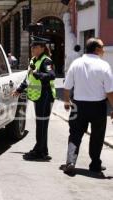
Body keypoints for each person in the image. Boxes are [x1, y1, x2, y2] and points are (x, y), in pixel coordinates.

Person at [62, 38, 113, 175]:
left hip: (78, 105)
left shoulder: (76, 64)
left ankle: (71, 162)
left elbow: (67, 87)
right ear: (96, 49)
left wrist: (67, 102)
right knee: (97, 136)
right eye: (102, 47)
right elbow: (110, 92)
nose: (103, 50)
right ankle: (95, 164)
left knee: (75, 134)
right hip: (98, 107)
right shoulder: (104, 66)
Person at [12, 36, 56, 161]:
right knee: (40, 124)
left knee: (42, 125)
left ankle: (39, 150)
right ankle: (42, 150)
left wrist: (37, 73)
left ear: (42, 48)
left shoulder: (46, 61)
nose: (32, 49)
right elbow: (28, 78)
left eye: (35, 47)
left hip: (46, 96)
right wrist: (19, 89)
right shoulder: (33, 60)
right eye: (32, 47)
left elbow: (51, 76)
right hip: (38, 97)